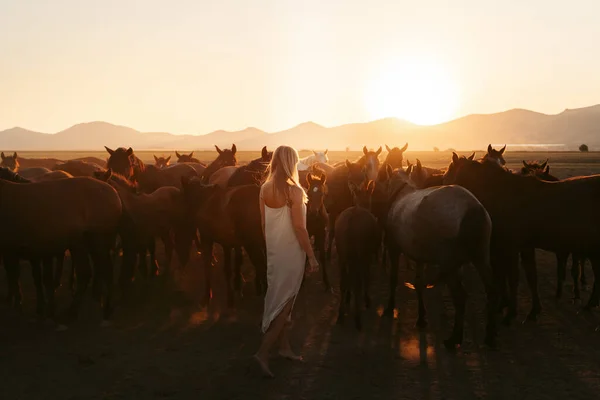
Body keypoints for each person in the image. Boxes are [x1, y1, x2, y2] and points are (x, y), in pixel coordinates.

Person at [253, 145, 319, 378]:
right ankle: (263, 352)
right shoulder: (295, 191)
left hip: (274, 252)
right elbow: (300, 228)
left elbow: (263, 225)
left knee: (278, 298)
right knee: (286, 304)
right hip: (291, 253)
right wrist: (311, 256)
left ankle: (284, 348)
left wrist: (272, 246)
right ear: (292, 163)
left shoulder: (264, 188)